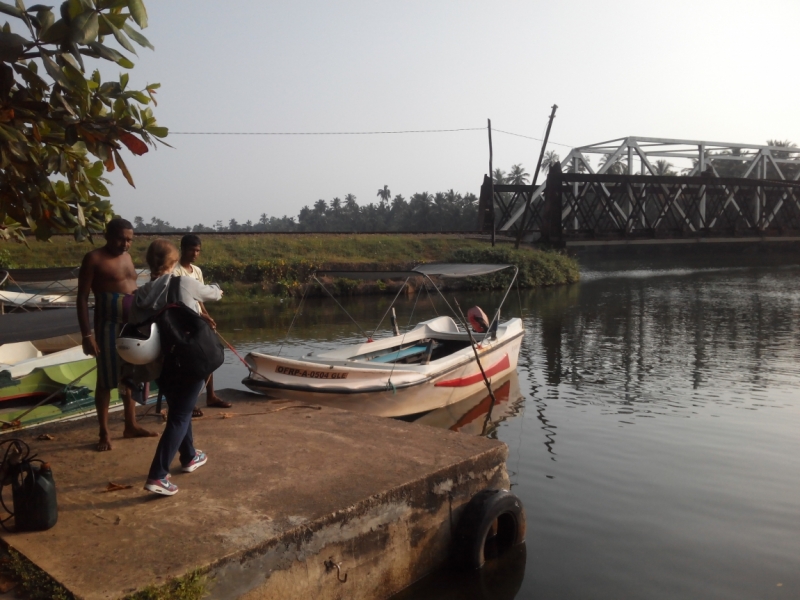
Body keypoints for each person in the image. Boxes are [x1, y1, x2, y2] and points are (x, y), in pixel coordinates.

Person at [132, 239, 223, 496]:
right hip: (188, 357)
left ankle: (189, 456)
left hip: (160, 361)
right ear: (174, 262)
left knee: (179, 407)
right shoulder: (182, 282)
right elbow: (213, 293)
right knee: (180, 416)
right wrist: (216, 289)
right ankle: (158, 475)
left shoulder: (142, 293)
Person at [77, 218, 157, 451]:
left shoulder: (128, 257)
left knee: (130, 375)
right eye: (121, 238)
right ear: (107, 236)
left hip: (131, 325)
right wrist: (86, 335)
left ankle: (130, 425)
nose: (125, 244)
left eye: (129, 239)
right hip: (108, 326)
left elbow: (131, 287)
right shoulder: (94, 258)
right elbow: (82, 298)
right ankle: (104, 432)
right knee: (105, 380)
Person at [173, 234, 232, 417]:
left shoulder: (196, 271)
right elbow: (178, 301)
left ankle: (211, 395)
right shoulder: (175, 271)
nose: (195, 254)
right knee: (189, 361)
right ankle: (189, 401)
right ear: (183, 249)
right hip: (183, 320)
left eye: (198, 250)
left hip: (198, 319)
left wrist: (205, 314)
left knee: (209, 355)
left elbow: (200, 297)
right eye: (192, 250)